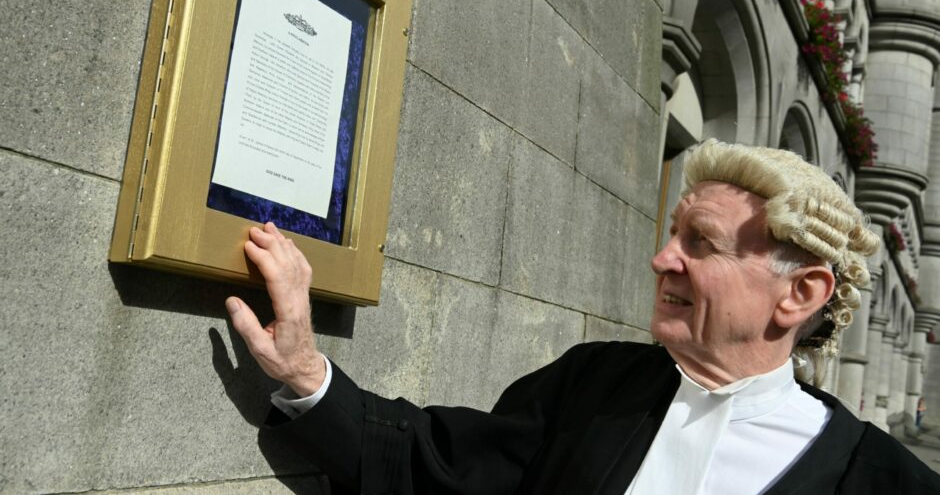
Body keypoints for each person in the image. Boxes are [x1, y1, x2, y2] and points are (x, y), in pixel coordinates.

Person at [225, 139, 940, 493]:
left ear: (800, 294)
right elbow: (439, 465)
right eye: (670, 237)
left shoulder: (883, 481)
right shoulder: (596, 384)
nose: (664, 262)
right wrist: (305, 372)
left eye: (701, 244)